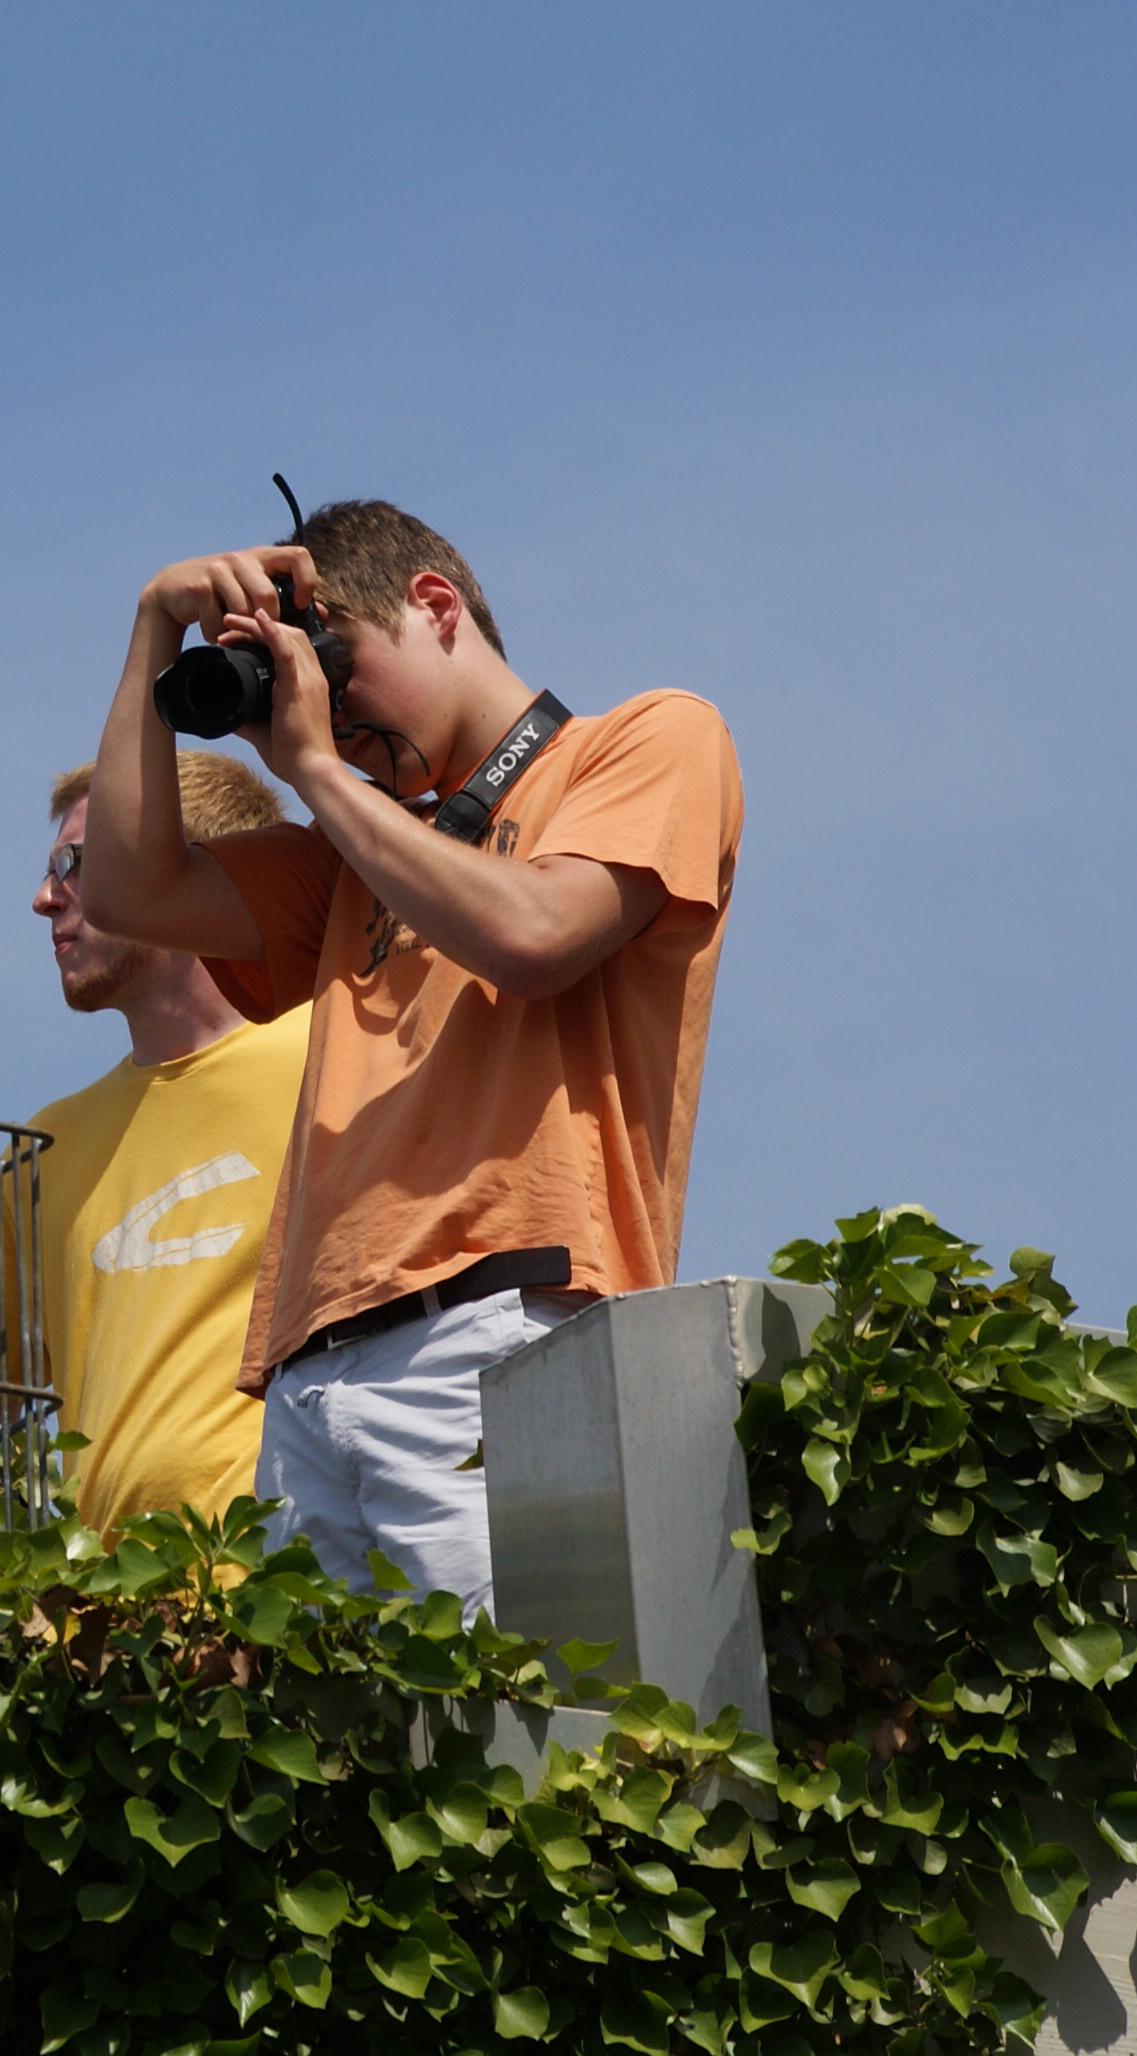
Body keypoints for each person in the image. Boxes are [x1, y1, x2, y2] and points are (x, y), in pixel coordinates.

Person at [79, 495, 740, 1611]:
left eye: (335, 669)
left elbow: (536, 936)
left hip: (499, 1317)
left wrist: (317, 773)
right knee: (338, 1726)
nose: (327, 714)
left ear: (434, 606)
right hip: (308, 1369)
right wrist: (154, 629)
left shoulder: (645, 740)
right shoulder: (357, 854)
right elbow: (126, 892)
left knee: (505, 1706)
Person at [0, 755, 311, 1531]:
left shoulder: (340, 1064)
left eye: (75, 864)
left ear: (184, 870)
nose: (44, 898)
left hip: (304, 1586)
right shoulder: (44, 1150)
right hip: (106, 1604)